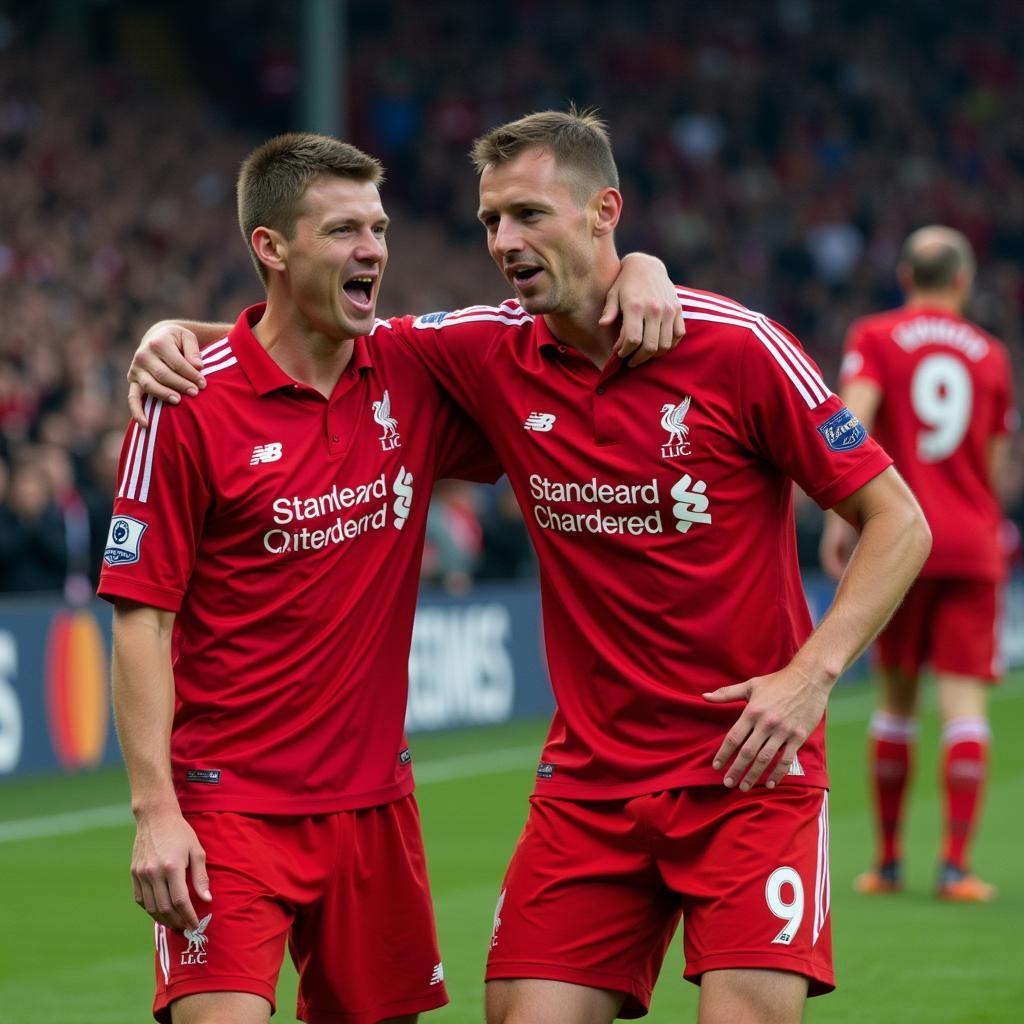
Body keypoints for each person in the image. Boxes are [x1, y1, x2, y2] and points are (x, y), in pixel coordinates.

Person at [129, 109, 931, 1024]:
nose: (503, 241)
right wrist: (171, 332)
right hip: (592, 781)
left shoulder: (738, 346)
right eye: (489, 222)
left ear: (603, 212)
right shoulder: (482, 349)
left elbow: (899, 522)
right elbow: (301, 333)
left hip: (749, 772)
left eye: (528, 215)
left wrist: (809, 677)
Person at [100, 131, 682, 1024]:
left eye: (378, 228)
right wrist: (154, 813)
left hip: (375, 806)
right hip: (229, 810)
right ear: (272, 247)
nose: (372, 250)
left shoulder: (411, 370)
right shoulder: (185, 405)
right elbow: (140, 619)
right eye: (342, 232)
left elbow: (565, 321)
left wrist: (639, 263)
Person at [820, 226, 1016, 903]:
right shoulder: (991, 354)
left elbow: (856, 417)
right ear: (961, 281)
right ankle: (957, 867)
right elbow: (994, 464)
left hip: (901, 541)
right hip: (970, 545)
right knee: (965, 709)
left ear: (905, 276)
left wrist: (838, 515)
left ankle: (888, 863)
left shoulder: (874, 336)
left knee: (896, 706)